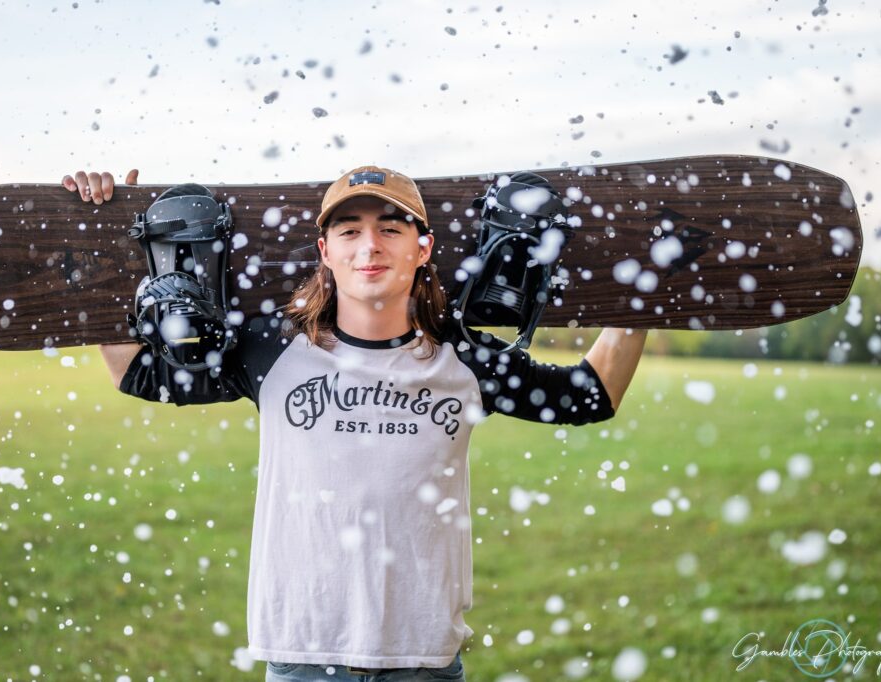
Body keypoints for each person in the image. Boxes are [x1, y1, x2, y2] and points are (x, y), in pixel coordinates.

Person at [62, 166, 647, 681]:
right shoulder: (270, 352)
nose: (370, 246)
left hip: (423, 663)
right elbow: (138, 371)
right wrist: (111, 236)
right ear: (325, 250)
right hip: (301, 657)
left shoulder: (463, 361)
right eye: (350, 231)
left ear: (423, 248)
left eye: (391, 229)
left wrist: (645, 287)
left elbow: (590, 394)